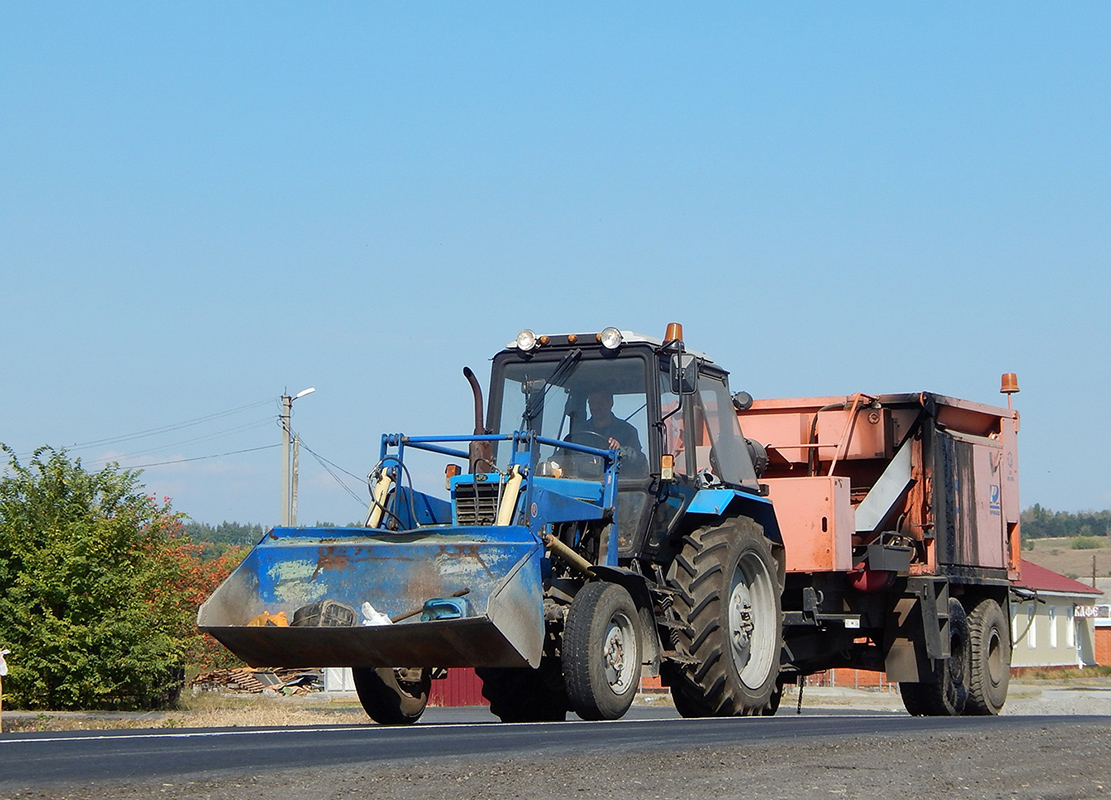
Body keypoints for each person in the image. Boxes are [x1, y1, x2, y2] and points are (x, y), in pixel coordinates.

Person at [579, 392, 646, 475]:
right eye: (592, 403)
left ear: (610, 403)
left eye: (600, 403)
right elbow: (563, 456)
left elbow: (640, 461)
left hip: (621, 484)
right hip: (582, 483)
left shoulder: (627, 431)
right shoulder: (579, 433)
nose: (595, 407)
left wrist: (620, 450)